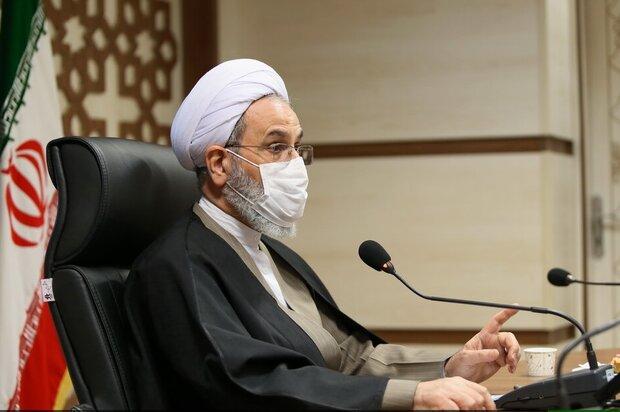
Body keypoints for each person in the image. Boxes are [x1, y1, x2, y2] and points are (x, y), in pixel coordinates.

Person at [124, 59, 521, 410]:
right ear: (219, 164)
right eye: (276, 147)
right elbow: (250, 386)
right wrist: (411, 397)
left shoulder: (274, 255)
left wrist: (448, 368)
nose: (294, 164)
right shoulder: (176, 267)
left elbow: (349, 357)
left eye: (297, 147)